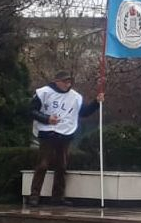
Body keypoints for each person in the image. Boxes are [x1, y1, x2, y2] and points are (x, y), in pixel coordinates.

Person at [28, 71, 102, 206]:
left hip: (65, 133)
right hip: (47, 132)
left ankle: (58, 197)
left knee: (62, 166)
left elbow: (83, 112)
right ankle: (34, 195)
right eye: (65, 81)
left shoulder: (75, 97)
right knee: (43, 164)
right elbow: (31, 110)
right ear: (56, 81)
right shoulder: (43, 93)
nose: (68, 84)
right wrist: (46, 119)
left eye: (69, 82)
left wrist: (96, 103)